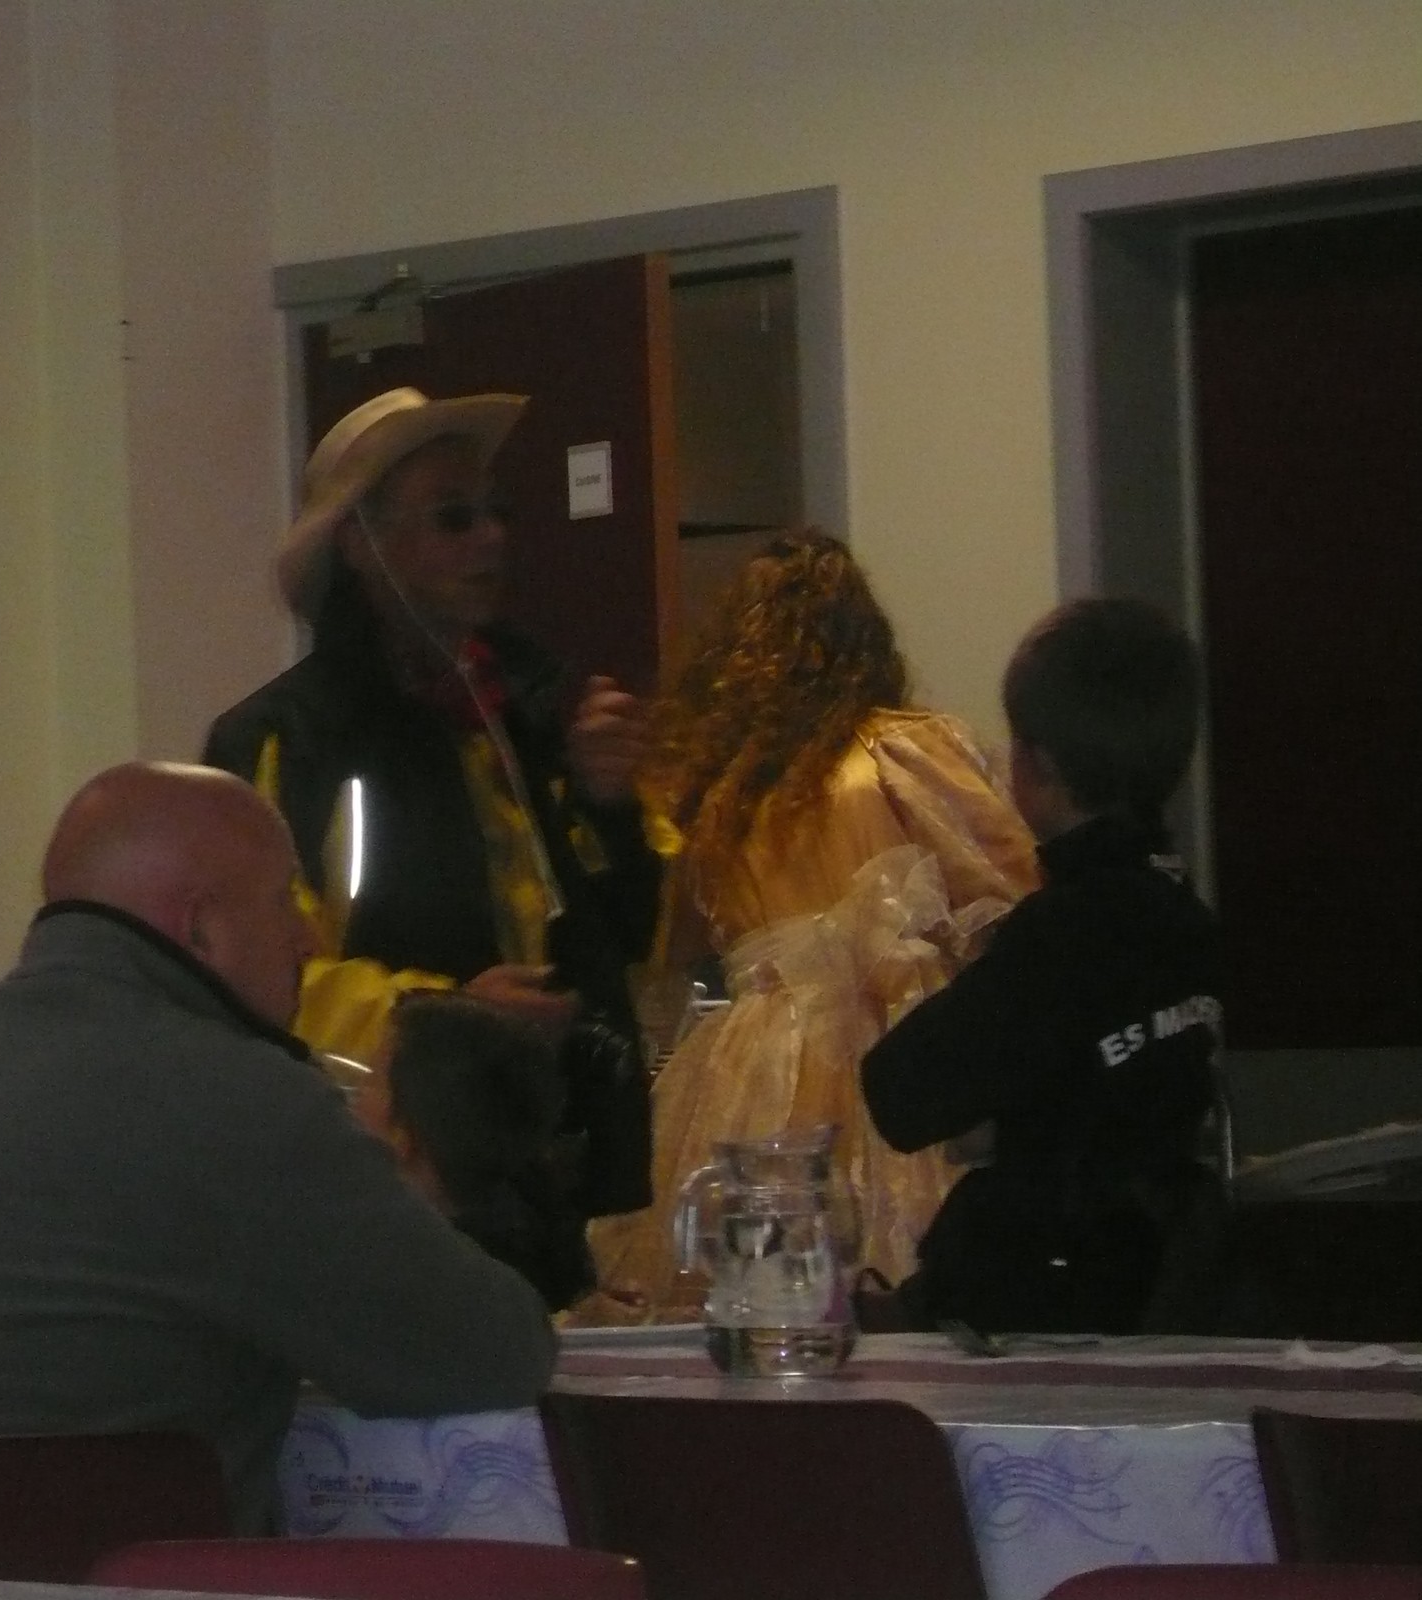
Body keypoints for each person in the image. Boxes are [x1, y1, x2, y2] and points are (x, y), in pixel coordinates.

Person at [0, 762, 557, 1533]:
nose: (308, 937)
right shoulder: (236, 1095)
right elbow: (487, 1354)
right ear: (200, 928)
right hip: (96, 1574)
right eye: (284, 898)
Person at [203, 387, 660, 1236]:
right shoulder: (286, 741)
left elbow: (632, 937)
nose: (490, 538)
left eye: (496, 512)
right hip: (388, 1179)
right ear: (360, 544)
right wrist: (446, 1021)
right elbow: (256, 980)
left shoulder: (535, 709)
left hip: (549, 1177)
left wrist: (610, 807)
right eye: (453, 517)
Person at [583, 530, 1039, 1319]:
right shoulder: (901, 749)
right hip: (900, 1023)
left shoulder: (721, 793)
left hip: (756, 1050)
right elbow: (1008, 885)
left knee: (747, 1258)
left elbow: (678, 944)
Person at [862, 598, 1221, 1335]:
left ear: (1041, 766)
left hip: (1046, 1291)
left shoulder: (1062, 931)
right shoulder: (1189, 920)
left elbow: (899, 1090)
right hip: (1165, 1278)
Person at [352, 991, 596, 1312]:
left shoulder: (393, 1283)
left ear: (405, 1135)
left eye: (370, 1082)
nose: (352, 1101)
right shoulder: (534, 1256)